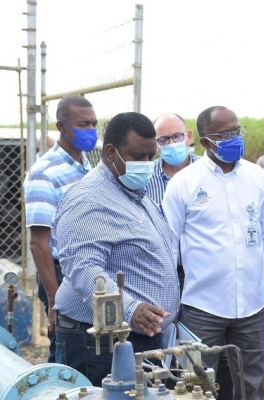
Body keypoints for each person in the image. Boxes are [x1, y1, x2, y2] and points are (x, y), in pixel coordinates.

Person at [162, 106, 264, 400]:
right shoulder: (185, 183)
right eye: (225, 134)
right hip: (201, 307)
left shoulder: (257, 178)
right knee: (197, 388)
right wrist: (170, 300)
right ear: (206, 141)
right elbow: (168, 245)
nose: (235, 139)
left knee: (251, 386)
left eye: (237, 131)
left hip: (252, 307)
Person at [51, 112, 180, 386]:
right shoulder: (89, 199)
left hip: (137, 336)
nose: (146, 165)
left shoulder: (132, 193)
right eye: (137, 157)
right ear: (111, 152)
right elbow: (84, 269)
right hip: (99, 343)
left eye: (150, 157)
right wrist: (130, 309)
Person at [23, 94, 98, 363]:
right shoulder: (45, 173)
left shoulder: (88, 168)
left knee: (91, 348)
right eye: (83, 125)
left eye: (93, 124)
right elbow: (39, 243)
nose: (90, 131)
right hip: (61, 275)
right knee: (68, 351)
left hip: (88, 270)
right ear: (62, 127)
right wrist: (56, 300)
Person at [146, 113, 201, 206]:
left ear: (189, 136)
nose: (172, 143)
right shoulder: (146, 177)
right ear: (155, 144)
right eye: (163, 139)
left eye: (177, 136)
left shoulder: (208, 169)